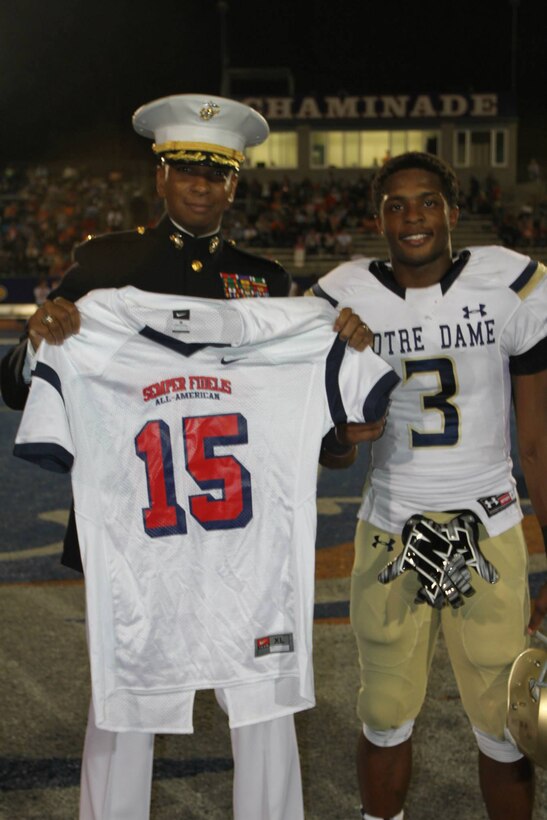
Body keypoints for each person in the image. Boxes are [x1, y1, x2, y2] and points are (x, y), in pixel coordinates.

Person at [1, 94, 375, 820]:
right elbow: (20, 386)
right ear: (161, 176)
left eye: (217, 174)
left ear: (234, 184)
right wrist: (37, 339)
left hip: (242, 532)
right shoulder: (104, 265)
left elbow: (298, 421)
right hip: (134, 525)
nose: (201, 186)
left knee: (261, 701)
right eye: (186, 170)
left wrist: (335, 429)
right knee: (127, 695)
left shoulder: (265, 284)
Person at [313, 152, 547, 820]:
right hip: (391, 520)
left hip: (489, 523)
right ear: (377, 216)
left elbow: (533, 440)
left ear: (449, 210)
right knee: (383, 710)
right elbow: (326, 447)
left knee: (505, 724)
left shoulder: (506, 283)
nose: (410, 216)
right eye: (395, 203)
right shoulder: (341, 295)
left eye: (425, 201)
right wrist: (340, 436)